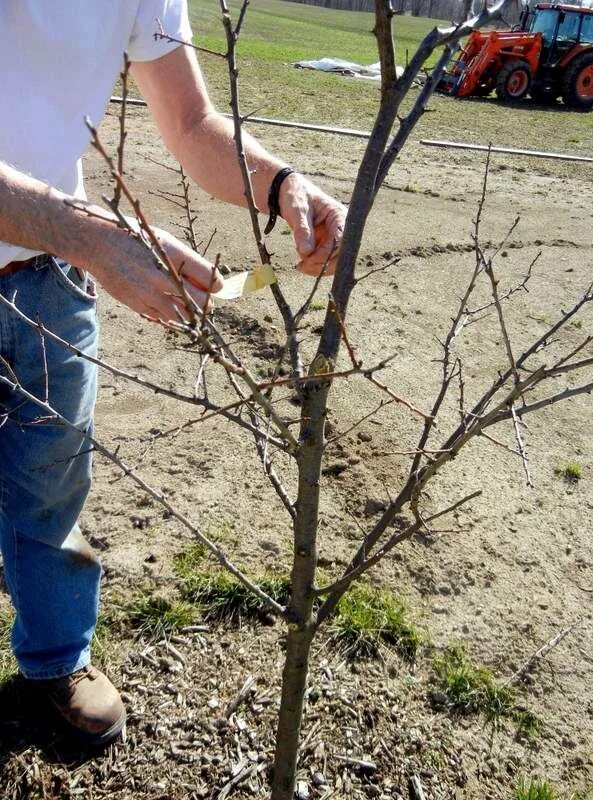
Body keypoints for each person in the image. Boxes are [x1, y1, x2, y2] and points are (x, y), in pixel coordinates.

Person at [0, 1, 346, 746]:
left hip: (49, 280)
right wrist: (91, 234)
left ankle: (55, 659)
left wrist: (282, 183)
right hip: (72, 241)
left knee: (51, 478)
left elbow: (191, 126)